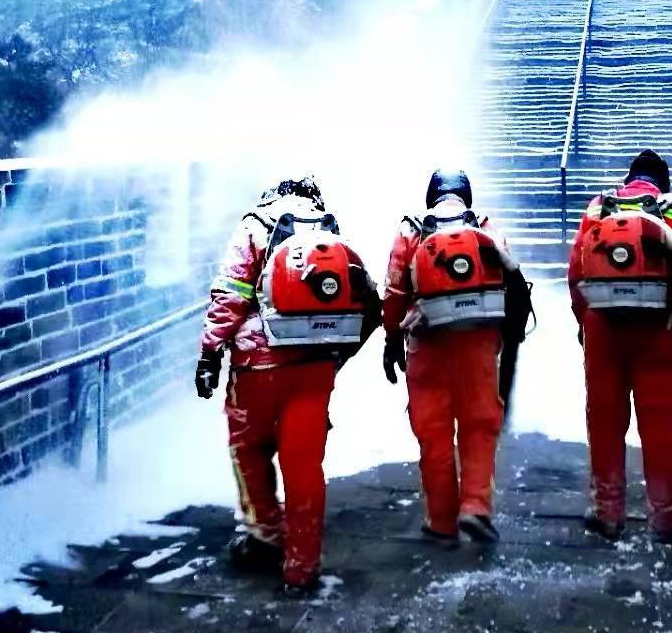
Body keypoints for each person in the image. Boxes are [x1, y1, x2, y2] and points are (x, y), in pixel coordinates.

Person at [194, 176, 381, 596]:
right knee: (304, 467)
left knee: (249, 451)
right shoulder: (329, 229)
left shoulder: (256, 224)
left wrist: (210, 353)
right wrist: (338, 355)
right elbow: (368, 299)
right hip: (313, 370)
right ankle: (301, 567)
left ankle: (266, 535)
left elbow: (230, 293)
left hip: (255, 367)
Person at [567, 149, 672, 543]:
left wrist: (585, 319)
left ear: (628, 178)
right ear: (661, 183)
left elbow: (576, 270)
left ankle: (607, 513)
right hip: (658, 328)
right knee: (661, 425)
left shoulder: (599, 207)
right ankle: (665, 516)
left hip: (603, 328)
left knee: (604, 422)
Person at [382, 169, 532, 546]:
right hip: (479, 341)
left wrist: (391, 339)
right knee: (479, 424)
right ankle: (475, 507)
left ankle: (441, 522)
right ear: (466, 195)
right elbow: (509, 275)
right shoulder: (484, 226)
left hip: (427, 342)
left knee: (433, 434)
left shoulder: (412, 229)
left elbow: (394, 290)